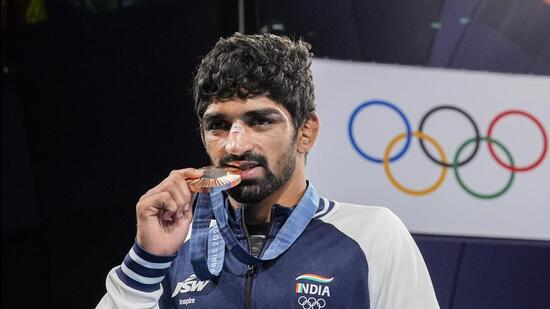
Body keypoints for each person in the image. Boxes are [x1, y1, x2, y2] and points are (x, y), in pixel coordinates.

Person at [97, 33, 439, 309]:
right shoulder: (174, 244)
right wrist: (146, 261)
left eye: (260, 121)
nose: (235, 145)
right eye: (218, 125)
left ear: (305, 132)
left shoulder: (371, 236)